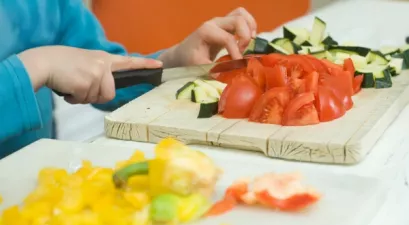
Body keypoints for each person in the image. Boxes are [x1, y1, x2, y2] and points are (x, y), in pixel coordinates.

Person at [0, 0, 257, 158]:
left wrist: (171, 62)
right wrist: (37, 66)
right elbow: (49, 64)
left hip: (35, 183)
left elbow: (97, 69)